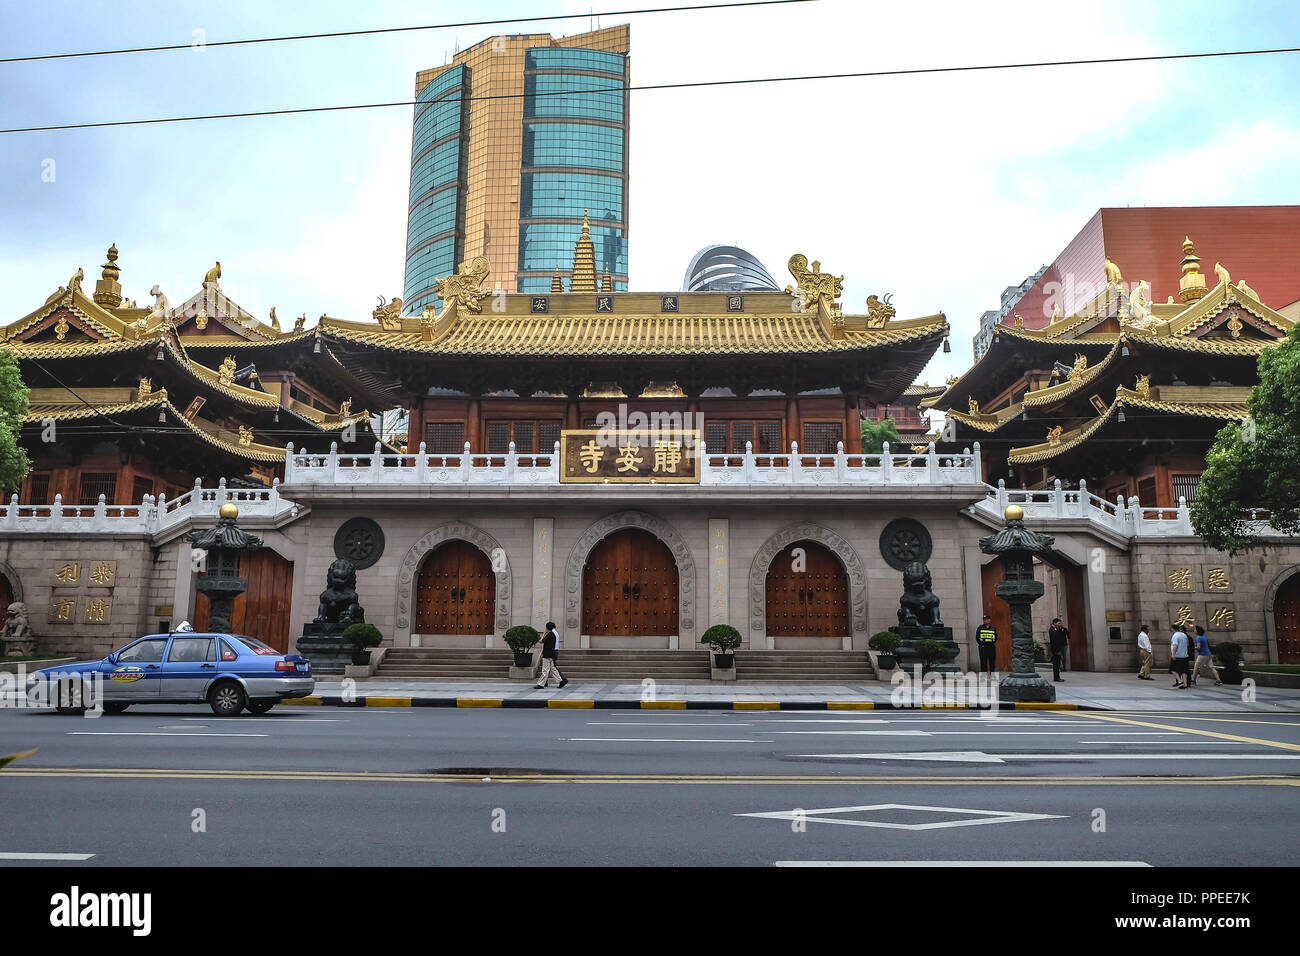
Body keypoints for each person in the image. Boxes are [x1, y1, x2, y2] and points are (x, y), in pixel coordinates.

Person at [534, 621, 568, 690]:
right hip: (552, 654)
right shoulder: (554, 634)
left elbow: (540, 641)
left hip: (547, 654)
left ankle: (541, 684)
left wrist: (543, 634)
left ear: (547, 627)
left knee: (545, 670)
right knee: (553, 669)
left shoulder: (549, 634)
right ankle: (561, 681)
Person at [1170, 623, 1191, 689]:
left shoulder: (1175, 636)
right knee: (1184, 671)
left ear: (1172, 629)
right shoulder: (1184, 635)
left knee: (1173, 669)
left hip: (1178, 656)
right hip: (1185, 655)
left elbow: (1175, 645)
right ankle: (1185, 684)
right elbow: (1187, 645)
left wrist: (1173, 654)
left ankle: (1179, 681)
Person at [1048, 617, 1069, 682]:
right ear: (1054, 623)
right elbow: (1055, 641)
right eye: (1059, 623)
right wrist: (1057, 650)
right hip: (1056, 649)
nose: (1060, 624)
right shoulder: (1052, 630)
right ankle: (1056, 677)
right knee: (1056, 664)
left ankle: (1057, 677)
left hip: (1058, 648)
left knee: (1057, 664)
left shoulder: (1058, 629)